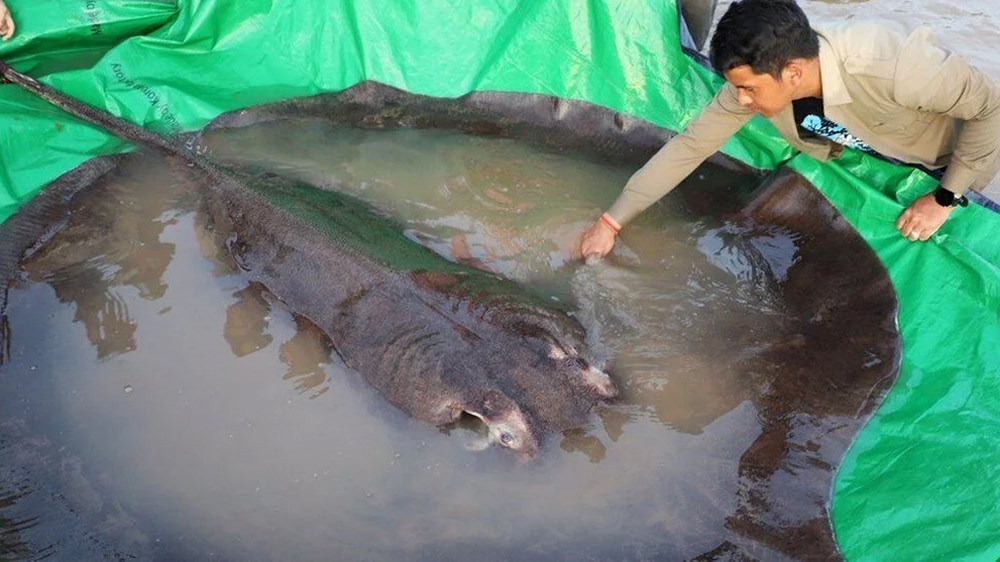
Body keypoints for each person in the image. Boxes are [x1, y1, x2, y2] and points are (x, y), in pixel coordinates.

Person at [580, 0, 1000, 257]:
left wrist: (946, 197)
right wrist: (611, 221)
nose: (740, 101)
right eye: (735, 88)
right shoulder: (756, 79)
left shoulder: (897, 65)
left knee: (946, 240)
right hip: (866, 148)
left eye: (748, 89)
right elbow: (690, 147)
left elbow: (991, 110)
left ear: (793, 72)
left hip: (949, 160)